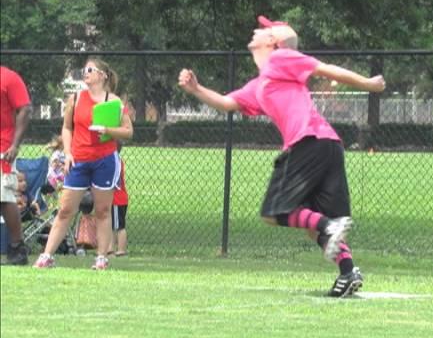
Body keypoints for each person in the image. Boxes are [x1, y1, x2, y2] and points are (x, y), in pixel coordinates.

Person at [179, 15, 386, 297]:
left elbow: (326, 70)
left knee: (276, 211)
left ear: (273, 42)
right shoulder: (260, 83)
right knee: (313, 225)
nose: (256, 30)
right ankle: (348, 273)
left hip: (308, 142)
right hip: (327, 145)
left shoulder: (280, 59)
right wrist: (196, 89)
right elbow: (228, 103)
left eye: (264, 29)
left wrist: (369, 85)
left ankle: (330, 225)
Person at [33, 58, 133, 270]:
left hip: (104, 161)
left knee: (103, 210)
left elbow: (128, 131)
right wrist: (68, 153)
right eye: (84, 70)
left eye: (90, 70)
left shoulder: (113, 101)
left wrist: (108, 131)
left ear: (102, 75)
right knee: (65, 210)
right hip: (78, 161)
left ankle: (101, 258)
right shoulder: (76, 98)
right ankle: (46, 256)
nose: (85, 73)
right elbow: (67, 128)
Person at [1, 65, 32, 265]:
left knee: (3, 196)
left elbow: (25, 108)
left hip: (3, 145)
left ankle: (17, 247)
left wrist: (14, 144)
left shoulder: (8, 78)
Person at [110, 142, 128, 257]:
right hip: (118, 198)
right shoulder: (116, 159)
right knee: (112, 225)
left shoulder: (114, 160)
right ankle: (110, 249)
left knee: (118, 227)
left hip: (117, 199)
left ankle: (120, 250)